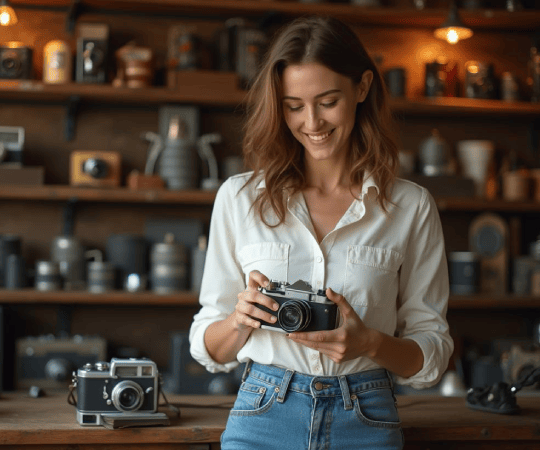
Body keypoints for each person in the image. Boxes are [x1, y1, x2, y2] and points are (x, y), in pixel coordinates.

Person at [189, 15, 453, 450]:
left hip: (366, 414)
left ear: (362, 88)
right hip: (263, 413)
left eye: (328, 101)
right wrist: (240, 320)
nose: (311, 122)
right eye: (293, 105)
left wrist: (369, 343)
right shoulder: (239, 198)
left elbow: (431, 353)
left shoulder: (410, 206)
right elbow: (209, 346)